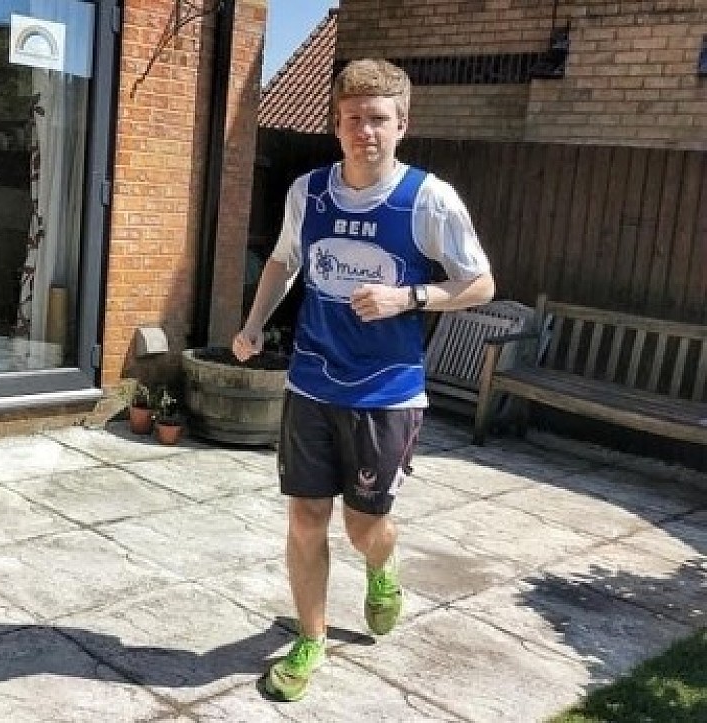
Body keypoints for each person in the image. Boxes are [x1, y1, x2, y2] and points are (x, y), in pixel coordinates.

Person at [233, 58, 495, 702]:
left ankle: (382, 567)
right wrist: (254, 324)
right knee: (305, 518)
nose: (364, 131)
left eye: (378, 118)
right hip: (311, 383)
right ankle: (312, 637)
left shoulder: (428, 199)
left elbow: (481, 283)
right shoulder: (309, 193)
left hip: (387, 393)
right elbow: (284, 261)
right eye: (352, 118)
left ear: (401, 124)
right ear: (336, 123)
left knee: (362, 527)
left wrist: (409, 297)